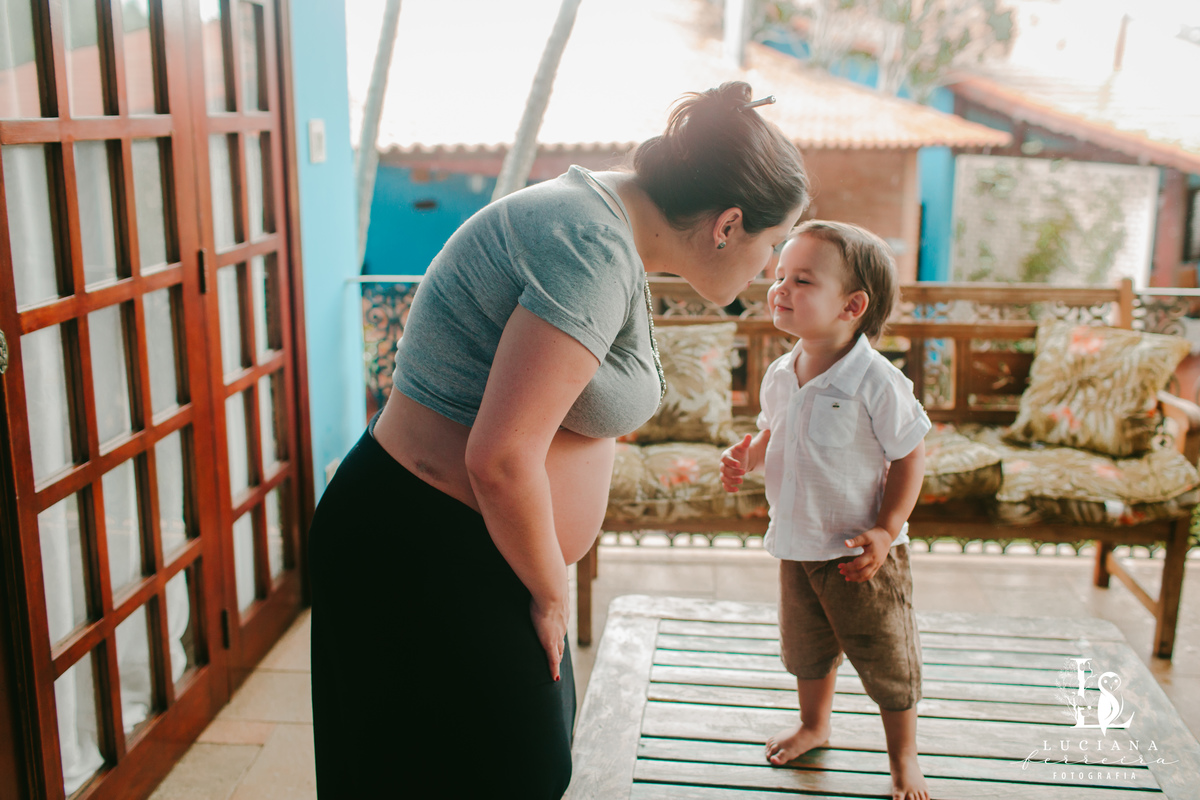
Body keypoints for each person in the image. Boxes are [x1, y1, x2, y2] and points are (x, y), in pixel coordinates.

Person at [307, 81, 810, 799]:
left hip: (452, 540)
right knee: (509, 776)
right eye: (771, 245)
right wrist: (550, 593)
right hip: (424, 547)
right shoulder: (590, 245)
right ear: (727, 224)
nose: (767, 268)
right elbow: (502, 457)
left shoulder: (601, 222)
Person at [719, 220, 931, 800]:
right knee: (806, 648)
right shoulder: (781, 371)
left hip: (859, 553)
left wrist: (887, 531)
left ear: (852, 305)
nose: (779, 287)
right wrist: (748, 455)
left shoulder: (878, 382)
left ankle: (903, 756)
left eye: (802, 279)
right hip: (795, 540)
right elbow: (774, 432)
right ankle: (816, 725)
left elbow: (910, 459)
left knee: (884, 654)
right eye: (779, 274)